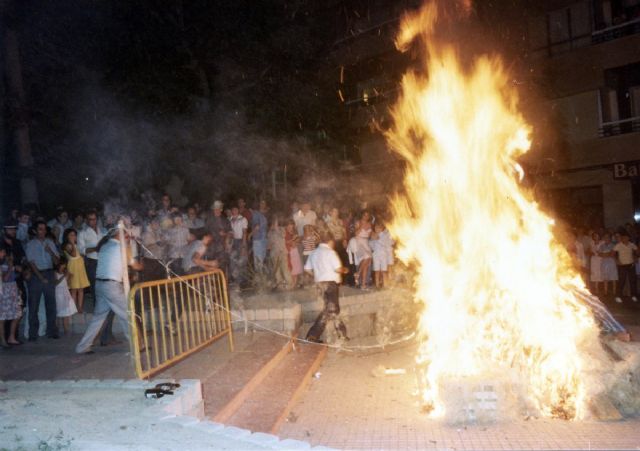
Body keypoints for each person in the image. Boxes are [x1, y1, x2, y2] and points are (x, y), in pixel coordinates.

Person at [75, 228, 143, 354]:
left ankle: (82, 347)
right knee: (127, 315)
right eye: (126, 235)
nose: (128, 237)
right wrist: (141, 264)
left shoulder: (105, 246)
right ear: (119, 235)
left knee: (98, 318)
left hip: (100, 284)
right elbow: (135, 265)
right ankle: (137, 347)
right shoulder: (121, 247)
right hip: (112, 286)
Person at [304, 231, 349, 343]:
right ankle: (312, 335)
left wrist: (316, 275)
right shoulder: (330, 252)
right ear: (330, 241)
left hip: (320, 284)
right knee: (330, 309)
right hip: (330, 284)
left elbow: (307, 269)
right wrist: (345, 270)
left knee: (333, 309)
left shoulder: (313, 253)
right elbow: (338, 269)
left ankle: (342, 334)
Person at [25, 220, 60, 340]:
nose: (43, 231)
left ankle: (52, 331)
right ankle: (33, 334)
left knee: (51, 305)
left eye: (44, 229)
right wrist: (41, 277)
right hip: (36, 276)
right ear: (35, 230)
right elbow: (31, 263)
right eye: (40, 229)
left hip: (49, 273)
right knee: (33, 305)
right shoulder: (31, 244)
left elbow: (57, 262)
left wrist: (50, 251)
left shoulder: (50, 242)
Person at [77, 210, 107, 304]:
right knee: (94, 285)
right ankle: (97, 306)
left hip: (104, 260)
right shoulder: (82, 233)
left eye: (94, 219)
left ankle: (106, 307)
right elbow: (82, 250)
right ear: (86, 220)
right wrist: (95, 248)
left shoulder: (103, 230)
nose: (92, 221)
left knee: (105, 284)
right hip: (92, 262)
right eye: (90, 219)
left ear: (97, 220)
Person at [62, 228, 90, 313]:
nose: (74, 237)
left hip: (80, 268)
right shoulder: (67, 245)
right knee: (74, 289)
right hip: (73, 268)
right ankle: (73, 308)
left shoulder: (77, 244)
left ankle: (80, 307)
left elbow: (82, 254)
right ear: (67, 236)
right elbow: (73, 255)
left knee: (81, 289)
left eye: (75, 235)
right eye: (71, 235)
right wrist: (71, 242)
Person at [0, 245, 22, 347]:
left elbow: (14, 276)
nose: (4, 254)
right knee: (2, 318)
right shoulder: (3, 265)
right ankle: (3, 340)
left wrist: (16, 269)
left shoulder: (8, 263)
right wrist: (10, 267)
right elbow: (4, 279)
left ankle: (11, 337)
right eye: (2, 252)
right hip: (3, 291)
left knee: (17, 314)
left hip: (12, 290)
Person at [53, 258, 77, 336]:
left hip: (65, 292)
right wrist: (63, 276)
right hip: (58, 293)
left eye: (64, 265)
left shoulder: (65, 272)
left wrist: (69, 277)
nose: (64, 266)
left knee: (66, 313)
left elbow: (68, 284)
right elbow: (55, 283)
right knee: (59, 313)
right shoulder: (55, 273)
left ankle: (66, 330)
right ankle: (56, 330)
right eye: (63, 265)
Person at [614, 231, 638, 303]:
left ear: (628, 238)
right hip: (622, 265)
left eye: (626, 237)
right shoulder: (618, 245)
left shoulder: (632, 244)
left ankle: (633, 296)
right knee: (621, 281)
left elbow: (637, 251)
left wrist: (636, 257)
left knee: (633, 281)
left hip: (631, 265)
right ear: (621, 238)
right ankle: (618, 296)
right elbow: (612, 253)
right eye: (623, 237)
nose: (625, 239)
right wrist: (617, 261)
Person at [268, 215, 291, 289]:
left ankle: (289, 283)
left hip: (282, 252)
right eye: (274, 222)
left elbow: (283, 236)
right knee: (276, 269)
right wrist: (269, 246)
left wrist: (276, 228)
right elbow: (269, 243)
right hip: (274, 253)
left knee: (285, 268)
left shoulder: (282, 229)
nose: (275, 224)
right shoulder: (270, 232)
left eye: (276, 222)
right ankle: (279, 284)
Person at [371, 222, 394, 289]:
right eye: (375, 228)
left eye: (378, 228)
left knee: (384, 271)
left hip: (383, 255)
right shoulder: (373, 235)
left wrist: (378, 239)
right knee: (377, 271)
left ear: (381, 228)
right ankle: (377, 285)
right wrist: (373, 239)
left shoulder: (384, 235)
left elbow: (386, 243)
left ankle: (385, 285)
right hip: (376, 255)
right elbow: (371, 245)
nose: (377, 229)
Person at [229, 206, 248, 285]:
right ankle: (236, 279)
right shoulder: (230, 219)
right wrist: (229, 244)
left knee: (242, 260)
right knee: (233, 260)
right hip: (234, 241)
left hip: (241, 241)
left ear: (238, 210)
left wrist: (243, 245)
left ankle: (243, 281)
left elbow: (244, 232)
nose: (234, 211)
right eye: (233, 209)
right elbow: (230, 233)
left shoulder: (243, 219)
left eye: (236, 209)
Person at [354, 211, 373, 290]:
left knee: (367, 263)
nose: (366, 216)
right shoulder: (358, 222)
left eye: (367, 215)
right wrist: (361, 226)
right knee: (367, 257)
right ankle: (358, 273)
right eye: (364, 215)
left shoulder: (370, 224)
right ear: (362, 215)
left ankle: (363, 284)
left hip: (366, 243)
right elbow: (355, 233)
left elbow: (370, 235)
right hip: (359, 242)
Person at [250, 201, 269, 273]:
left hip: (263, 240)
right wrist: (250, 234)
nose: (263, 205)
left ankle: (261, 278)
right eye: (261, 203)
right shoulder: (256, 214)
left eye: (264, 203)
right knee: (258, 260)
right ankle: (259, 279)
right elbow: (256, 226)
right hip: (258, 240)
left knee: (261, 260)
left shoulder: (263, 215)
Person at [284, 219, 303, 289]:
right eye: (289, 225)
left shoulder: (294, 232)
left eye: (291, 225)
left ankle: (294, 284)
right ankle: (291, 284)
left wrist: (296, 241)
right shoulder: (284, 232)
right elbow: (285, 242)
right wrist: (292, 241)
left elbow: (297, 243)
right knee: (290, 268)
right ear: (286, 226)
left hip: (295, 252)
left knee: (296, 268)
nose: (290, 227)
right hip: (289, 252)